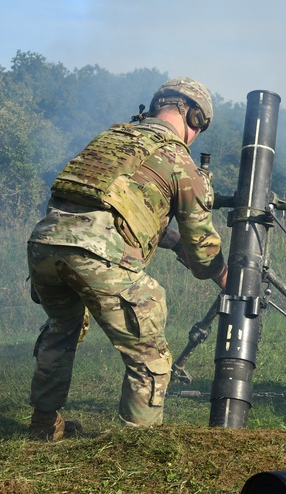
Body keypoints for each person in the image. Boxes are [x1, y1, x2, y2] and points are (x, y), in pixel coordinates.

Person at [26, 77, 228, 440]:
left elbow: (109, 209)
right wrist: (224, 274)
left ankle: (43, 425)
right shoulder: (177, 158)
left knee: (62, 328)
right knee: (149, 353)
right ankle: (136, 448)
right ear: (195, 118)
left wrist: (171, 242)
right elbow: (203, 255)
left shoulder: (112, 140)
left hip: (45, 245)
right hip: (97, 257)